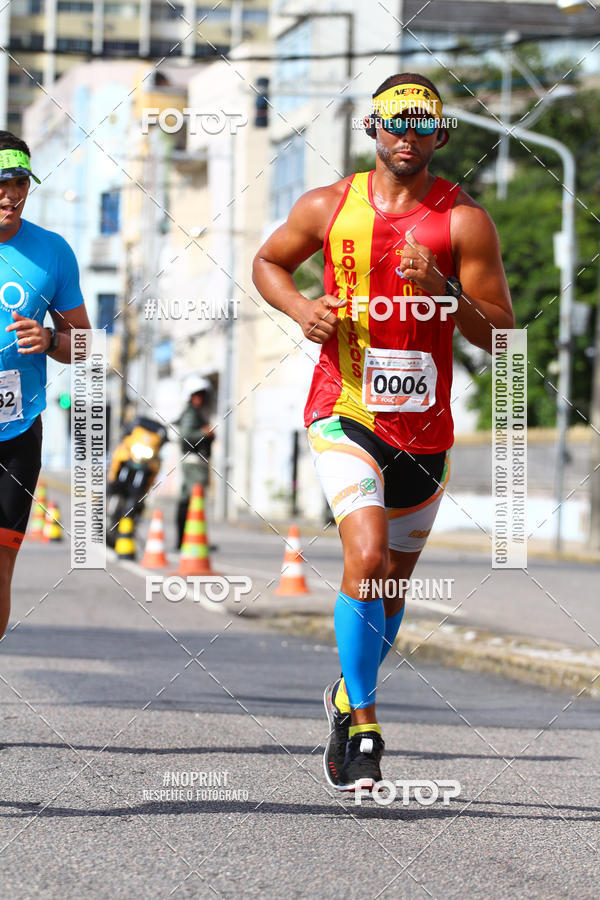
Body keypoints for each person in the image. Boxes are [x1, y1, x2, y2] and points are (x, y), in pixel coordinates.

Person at [253, 73, 514, 790]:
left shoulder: (464, 221)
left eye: (421, 125)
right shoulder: (327, 206)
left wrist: (444, 290)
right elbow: (268, 262)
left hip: (426, 431)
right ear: (373, 129)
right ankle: (364, 726)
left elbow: (502, 336)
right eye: (394, 123)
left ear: (441, 136)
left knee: (391, 586)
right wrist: (299, 308)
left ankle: (343, 695)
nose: (407, 135)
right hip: (345, 411)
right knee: (364, 556)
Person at [0, 131, 91, 638]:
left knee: (1, 571)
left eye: (17, 183)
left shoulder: (52, 253)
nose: (9, 195)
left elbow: (83, 346)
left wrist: (51, 337)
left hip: (16, 431)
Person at [175, 374, 215, 548]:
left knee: (189, 500)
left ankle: (187, 539)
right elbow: (186, 436)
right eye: (196, 395)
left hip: (196, 461)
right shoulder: (190, 413)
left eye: (202, 395)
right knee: (194, 500)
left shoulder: (195, 413)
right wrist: (205, 433)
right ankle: (191, 540)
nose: (200, 399)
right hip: (193, 462)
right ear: (190, 397)